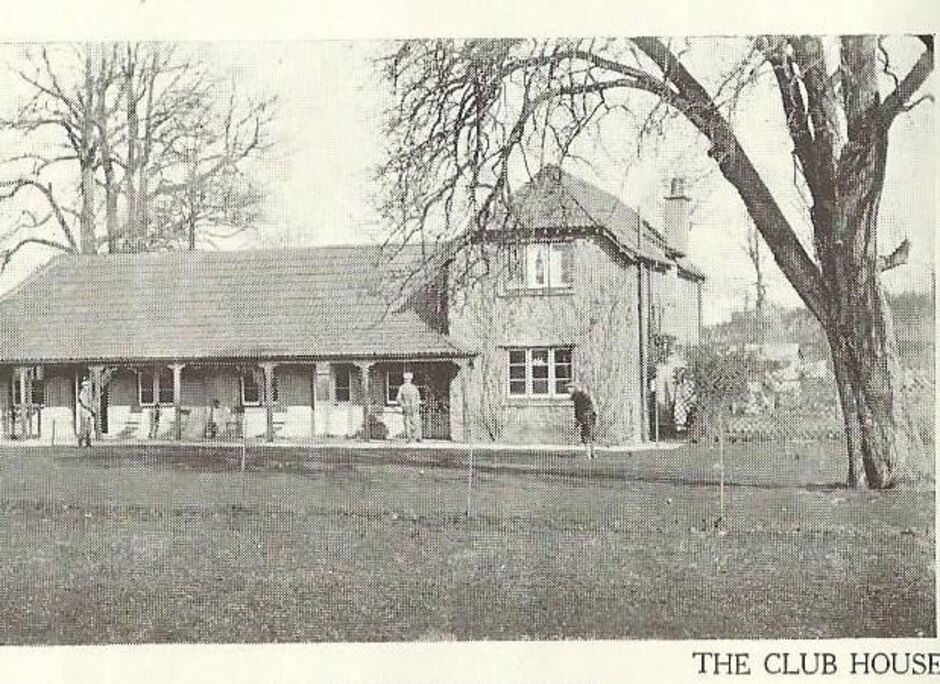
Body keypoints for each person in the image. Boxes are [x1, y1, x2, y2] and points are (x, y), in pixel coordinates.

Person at [567, 381, 596, 459]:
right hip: (588, 417)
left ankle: (589, 455)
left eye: (570, 388)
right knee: (590, 435)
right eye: (568, 388)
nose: (569, 390)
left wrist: (579, 420)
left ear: (574, 388)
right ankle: (592, 453)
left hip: (586, 417)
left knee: (586, 436)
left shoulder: (579, 397)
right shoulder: (580, 396)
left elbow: (581, 409)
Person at [396, 371, 422, 442]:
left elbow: (398, 398)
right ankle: (412, 437)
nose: (407, 380)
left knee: (412, 421)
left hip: (411, 407)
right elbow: (398, 398)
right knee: (411, 421)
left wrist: (403, 404)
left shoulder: (406, 388)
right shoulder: (411, 388)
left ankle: (415, 436)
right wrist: (403, 404)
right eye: (406, 379)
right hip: (410, 407)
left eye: (408, 379)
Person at [77, 377, 95, 448]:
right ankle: (80, 442)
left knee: (89, 428)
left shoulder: (89, 394)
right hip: (84, 411)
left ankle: (88, 442)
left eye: (88, 385)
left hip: (88, 412)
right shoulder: (82, 393)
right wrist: (91, 408)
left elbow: (90, 402)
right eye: (85, 386)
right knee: (83, 428)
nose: (87, 387)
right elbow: (84, 403)